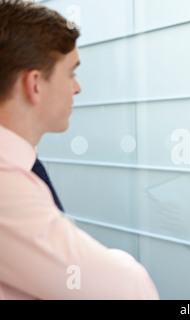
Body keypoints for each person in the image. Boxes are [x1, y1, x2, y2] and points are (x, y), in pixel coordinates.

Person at [0, 0, 158, 299]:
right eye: (71, 72)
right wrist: (113, 264)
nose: (77, 88)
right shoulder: (6, 184)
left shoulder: (21, 167)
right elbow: (126, 289)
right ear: (34, 84)